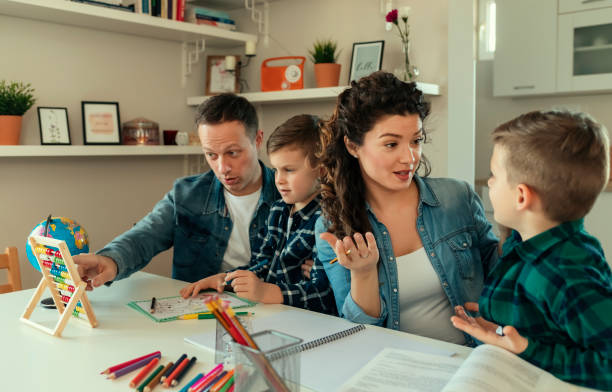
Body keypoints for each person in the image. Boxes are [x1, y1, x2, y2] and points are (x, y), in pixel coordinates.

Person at [314, 71, 499, 345]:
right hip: (394, 370)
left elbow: (502, 275)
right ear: (353, 146)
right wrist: (363, 273)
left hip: (469, 362)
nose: (409, 157)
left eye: (416, 140)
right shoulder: (334, 226)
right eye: (391, 144)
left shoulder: (457, 197)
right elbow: (360, 334)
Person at [451, 110, 612, 390]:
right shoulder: (528, 244)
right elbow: (551, 323)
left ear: (522, 196)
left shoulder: (564, 273)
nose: (489, 182)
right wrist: (504, 316)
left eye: (494, 175)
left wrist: (526, 347)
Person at [73, 93, 280, 287]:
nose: (222, 168)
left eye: (233, 153)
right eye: (211, 155)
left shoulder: (290, 196)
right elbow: (144, 237)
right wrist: (110, 259)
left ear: (258, 140)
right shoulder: (186, 195)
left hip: (277, 313)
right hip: (201, 311)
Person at [180, 115, 337, 315]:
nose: (279, 180)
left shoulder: (327, 220)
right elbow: (261, 264)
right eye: (276, 170)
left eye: (289, 170)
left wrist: (267, 292)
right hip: (273, 314)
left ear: (321, 171)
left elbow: (323, 296)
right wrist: (225, 279)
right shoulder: (278, 210)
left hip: (309, 323)